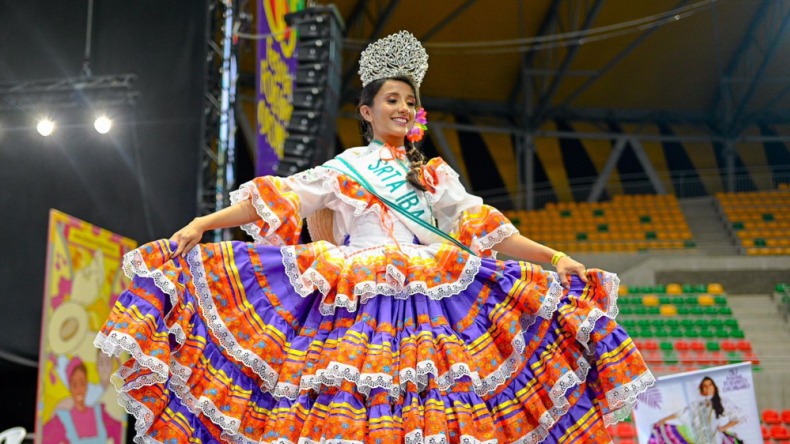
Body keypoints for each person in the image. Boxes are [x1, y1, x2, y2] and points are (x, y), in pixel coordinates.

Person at [95, 31, 654, 443]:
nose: (404, 109)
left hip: (434, 299)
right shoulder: (347, 167)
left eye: (411, 102)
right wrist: (202, 224)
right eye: (393, 100)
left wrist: (557, 257)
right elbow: (283, 197)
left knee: (433, 406)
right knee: (352, 403)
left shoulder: (434, 175)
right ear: (367, 111)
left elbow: (488, 229)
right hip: (358, 291)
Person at [42, 357, 123, 443]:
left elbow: (119, 430)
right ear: (70, 388)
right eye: (75, 385)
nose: (79, 389)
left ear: (87, 384)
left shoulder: (99, 413)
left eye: (82, 383)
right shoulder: (63, 419)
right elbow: (44, 437)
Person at [652, 377, 744, 444]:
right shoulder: (699, 403)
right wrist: (664, 420)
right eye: (705, 386)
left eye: (710, 385)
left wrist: (723, 428)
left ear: (714, 387)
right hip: (701, 436)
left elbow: (737, 418)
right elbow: (681, 413)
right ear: (701, 389)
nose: (707, 387)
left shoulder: (724, 402)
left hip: (716, 437)